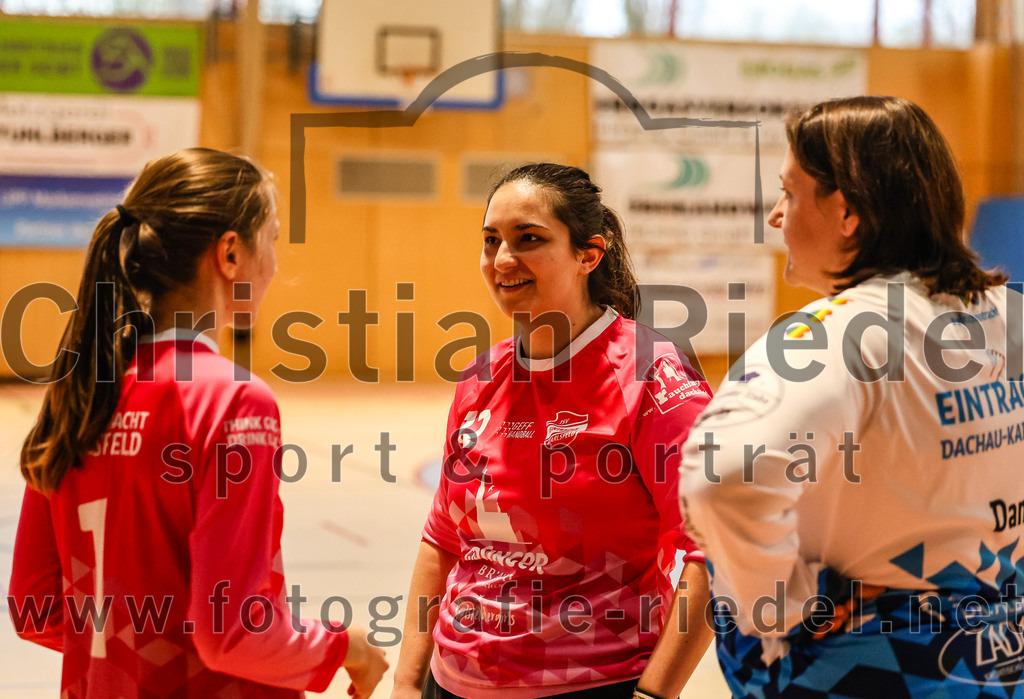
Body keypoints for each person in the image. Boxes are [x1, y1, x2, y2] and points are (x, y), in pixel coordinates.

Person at [8, 148, 387, 698]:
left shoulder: (80, 391)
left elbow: (34, 605)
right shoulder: (232, 400)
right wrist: (344, 644)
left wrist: (132, 650)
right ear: (230, 253)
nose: (276, 264)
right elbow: (229, 634)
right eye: (273, 239)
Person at [678, 95, 1024, 696]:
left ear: (847, 212)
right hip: (997, 660)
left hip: (867, 669)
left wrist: (781, 608)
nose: (776, 217)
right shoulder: (1012, 315)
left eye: (790, 192)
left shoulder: (833, 336)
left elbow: (723, 479)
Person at [392, 163, 715, 699]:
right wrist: (408, 683)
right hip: (449, 684)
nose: (502, 260)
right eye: (491, 240)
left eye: (529, 239)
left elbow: (716, 548)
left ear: (588, 254)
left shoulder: (650, 374)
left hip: (594, 683)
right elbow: (442, 540)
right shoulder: (481, 378)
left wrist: (657, 693)